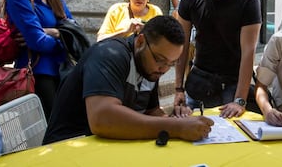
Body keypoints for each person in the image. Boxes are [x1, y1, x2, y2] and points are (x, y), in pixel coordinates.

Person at [43, 16, 214, 144]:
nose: (163, 69)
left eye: (171, 63)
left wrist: (177, 118)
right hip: (68, 147)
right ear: (140, 42)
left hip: (107, 145)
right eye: (160, 59)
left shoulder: (151, 67)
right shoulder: (110, 54)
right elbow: (102, 119)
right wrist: (176, 128)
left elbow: (151, 112)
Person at [173, 0, 262, 118]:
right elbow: (182, 45)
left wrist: (240, 100)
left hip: (232, 84)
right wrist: (178, 88)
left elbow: (248, 52)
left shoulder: (248, 1)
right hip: (199, 81)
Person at [5, 0, 73, 119]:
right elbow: (38, 42)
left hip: (63, 72)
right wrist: (64, 39)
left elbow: (74, 31)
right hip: (38, 76)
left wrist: (55, 33)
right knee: (51, 134)